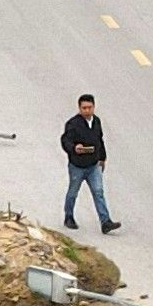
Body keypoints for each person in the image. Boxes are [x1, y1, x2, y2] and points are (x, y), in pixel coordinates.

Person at [59, 93, 117, 234]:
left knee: (98, 192)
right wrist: (74, 148)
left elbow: (99, 140)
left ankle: (106, 222)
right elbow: (65, 141)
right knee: (73, 192)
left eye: (89, 107)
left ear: (94, 107)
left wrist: (102, 158)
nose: (87, 110)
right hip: (77, 166)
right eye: (84, 108)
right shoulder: (73, 124)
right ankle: (69, 217)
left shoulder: (96, 121)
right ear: (79, 108)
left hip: (93, 166)